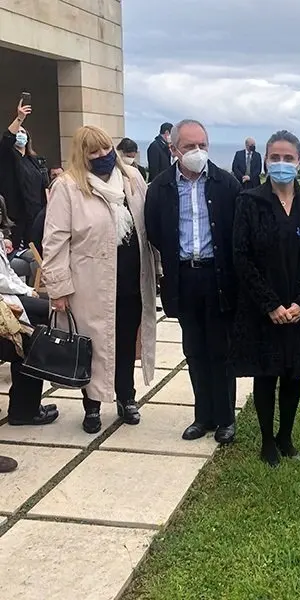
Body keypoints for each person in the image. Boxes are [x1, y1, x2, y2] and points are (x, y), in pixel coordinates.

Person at [43, 125, 158, 433]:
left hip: (132, 280)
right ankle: (91, 406)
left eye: (106, 148)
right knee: (93, 346)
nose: (102, 155)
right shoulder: (67, 186)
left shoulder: (133, 179)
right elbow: (55, 240)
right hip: (90, 284)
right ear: (82, 155)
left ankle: (126, 397)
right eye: (93, 151)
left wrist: (159, 270)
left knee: (124, 342)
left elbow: (148, 228)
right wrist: (58, 288)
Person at [231, 130, 300, 466]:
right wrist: (270, 305)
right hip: (264, 308)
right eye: (275, 157)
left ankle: (285, 437)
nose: (281, 163)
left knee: (293, 374)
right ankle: (266, 442)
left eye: (288, 158)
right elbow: (241, 257)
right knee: (267, 373)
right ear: (265, 161)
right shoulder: (249, 202)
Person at [145, 119, 240, 444]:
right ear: (174, 149)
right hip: (184, 277)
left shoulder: (226, 185)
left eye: (202, 145)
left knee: (221, 350)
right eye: (189, 147)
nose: (197, 152)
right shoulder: (159, 188)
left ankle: (226, 418)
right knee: (195, 350)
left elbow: (236, 234)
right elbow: (155, 231)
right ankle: (203, 416)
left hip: (219, 278)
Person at [0, 249, 57, 426]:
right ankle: (24, 410)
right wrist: (23, 290)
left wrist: (27, 290)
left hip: (7, 300)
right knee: (29, 342)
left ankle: (26, 407)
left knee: (44, 317)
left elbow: (7, 272)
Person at [0, 100, 47, 246]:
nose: (20, 134)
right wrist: (19, 118)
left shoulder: (34, 160)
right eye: (17, 131)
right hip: (16, 216)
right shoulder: (8, 156)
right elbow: (7, 139)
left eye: (22, 131)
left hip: (35, 215)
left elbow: (43, 186)